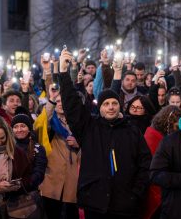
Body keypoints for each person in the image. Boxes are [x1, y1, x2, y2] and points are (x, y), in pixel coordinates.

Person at [58, 48, 151, 219]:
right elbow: (72, 106)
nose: (110, 107)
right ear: (100, 108)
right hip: (95, 203)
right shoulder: (89, 127)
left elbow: (145, 164)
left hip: (125, 205)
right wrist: (63, 73)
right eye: (106, 103)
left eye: (114, 103)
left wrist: (136, 193)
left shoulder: (131, 130)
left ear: (119, 106)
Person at [39, 84, 80, 219]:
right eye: (58, 101)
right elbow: (42, 122)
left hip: (73, 178)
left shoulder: (78, 123)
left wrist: (78, 144)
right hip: (52, 177)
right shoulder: (51, 122)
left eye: (64, 101)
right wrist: (51, 99)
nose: (61, 104)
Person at [0, 114, 31, 218]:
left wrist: (15, 185)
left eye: (2, 138)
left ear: (8, 134)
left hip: (14, 208)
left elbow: (28, 177)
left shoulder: (17, 153)